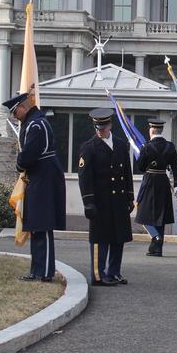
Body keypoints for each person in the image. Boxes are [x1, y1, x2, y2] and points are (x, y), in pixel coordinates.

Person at [5, 90, 66, 282]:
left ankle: (45, 271)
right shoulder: (34, 123)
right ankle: (37, 269)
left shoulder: (36, 125)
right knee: (36, 226)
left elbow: (29, 155)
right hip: (40, 177)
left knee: (42, 225)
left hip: (43, 178)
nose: (15, 117)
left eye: (15, 112)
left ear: (23, 108)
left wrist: (20, 163)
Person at [77, 107, 135, 286]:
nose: (100, 132)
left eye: (103, 128)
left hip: (118, 200)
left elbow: (127, 171)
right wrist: (88, 202)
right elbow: (84, 177)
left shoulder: (121, 144)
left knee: (118, 237)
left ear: (110, 125)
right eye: (97, 129)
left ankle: (114, 272)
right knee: (99, 239)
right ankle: (98, 274)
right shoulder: (89, 148)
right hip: (100, 201)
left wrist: (130, 196)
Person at [135, 118, 177, 257]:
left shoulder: (147, 146)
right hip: (163, 179)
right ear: (161, 130)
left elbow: (140, 166)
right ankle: (157, 248)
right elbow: (176, 167)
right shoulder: (170, 146)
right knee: (160, 215)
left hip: (150, 179)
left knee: (143, 213)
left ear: (151, 130)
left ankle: (156, 237)